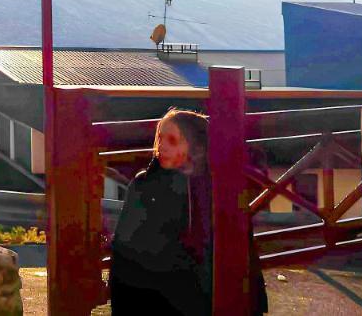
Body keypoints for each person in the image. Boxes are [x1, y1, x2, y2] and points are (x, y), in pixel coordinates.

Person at [108, 108, 267, 315]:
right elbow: (124, 249)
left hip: (203, 297)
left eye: (172, 141)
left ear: (198, 149)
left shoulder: (220, 190)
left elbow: (243, 250)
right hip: (152, 296)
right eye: (160, 138)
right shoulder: (143, 185)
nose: (162, 146)